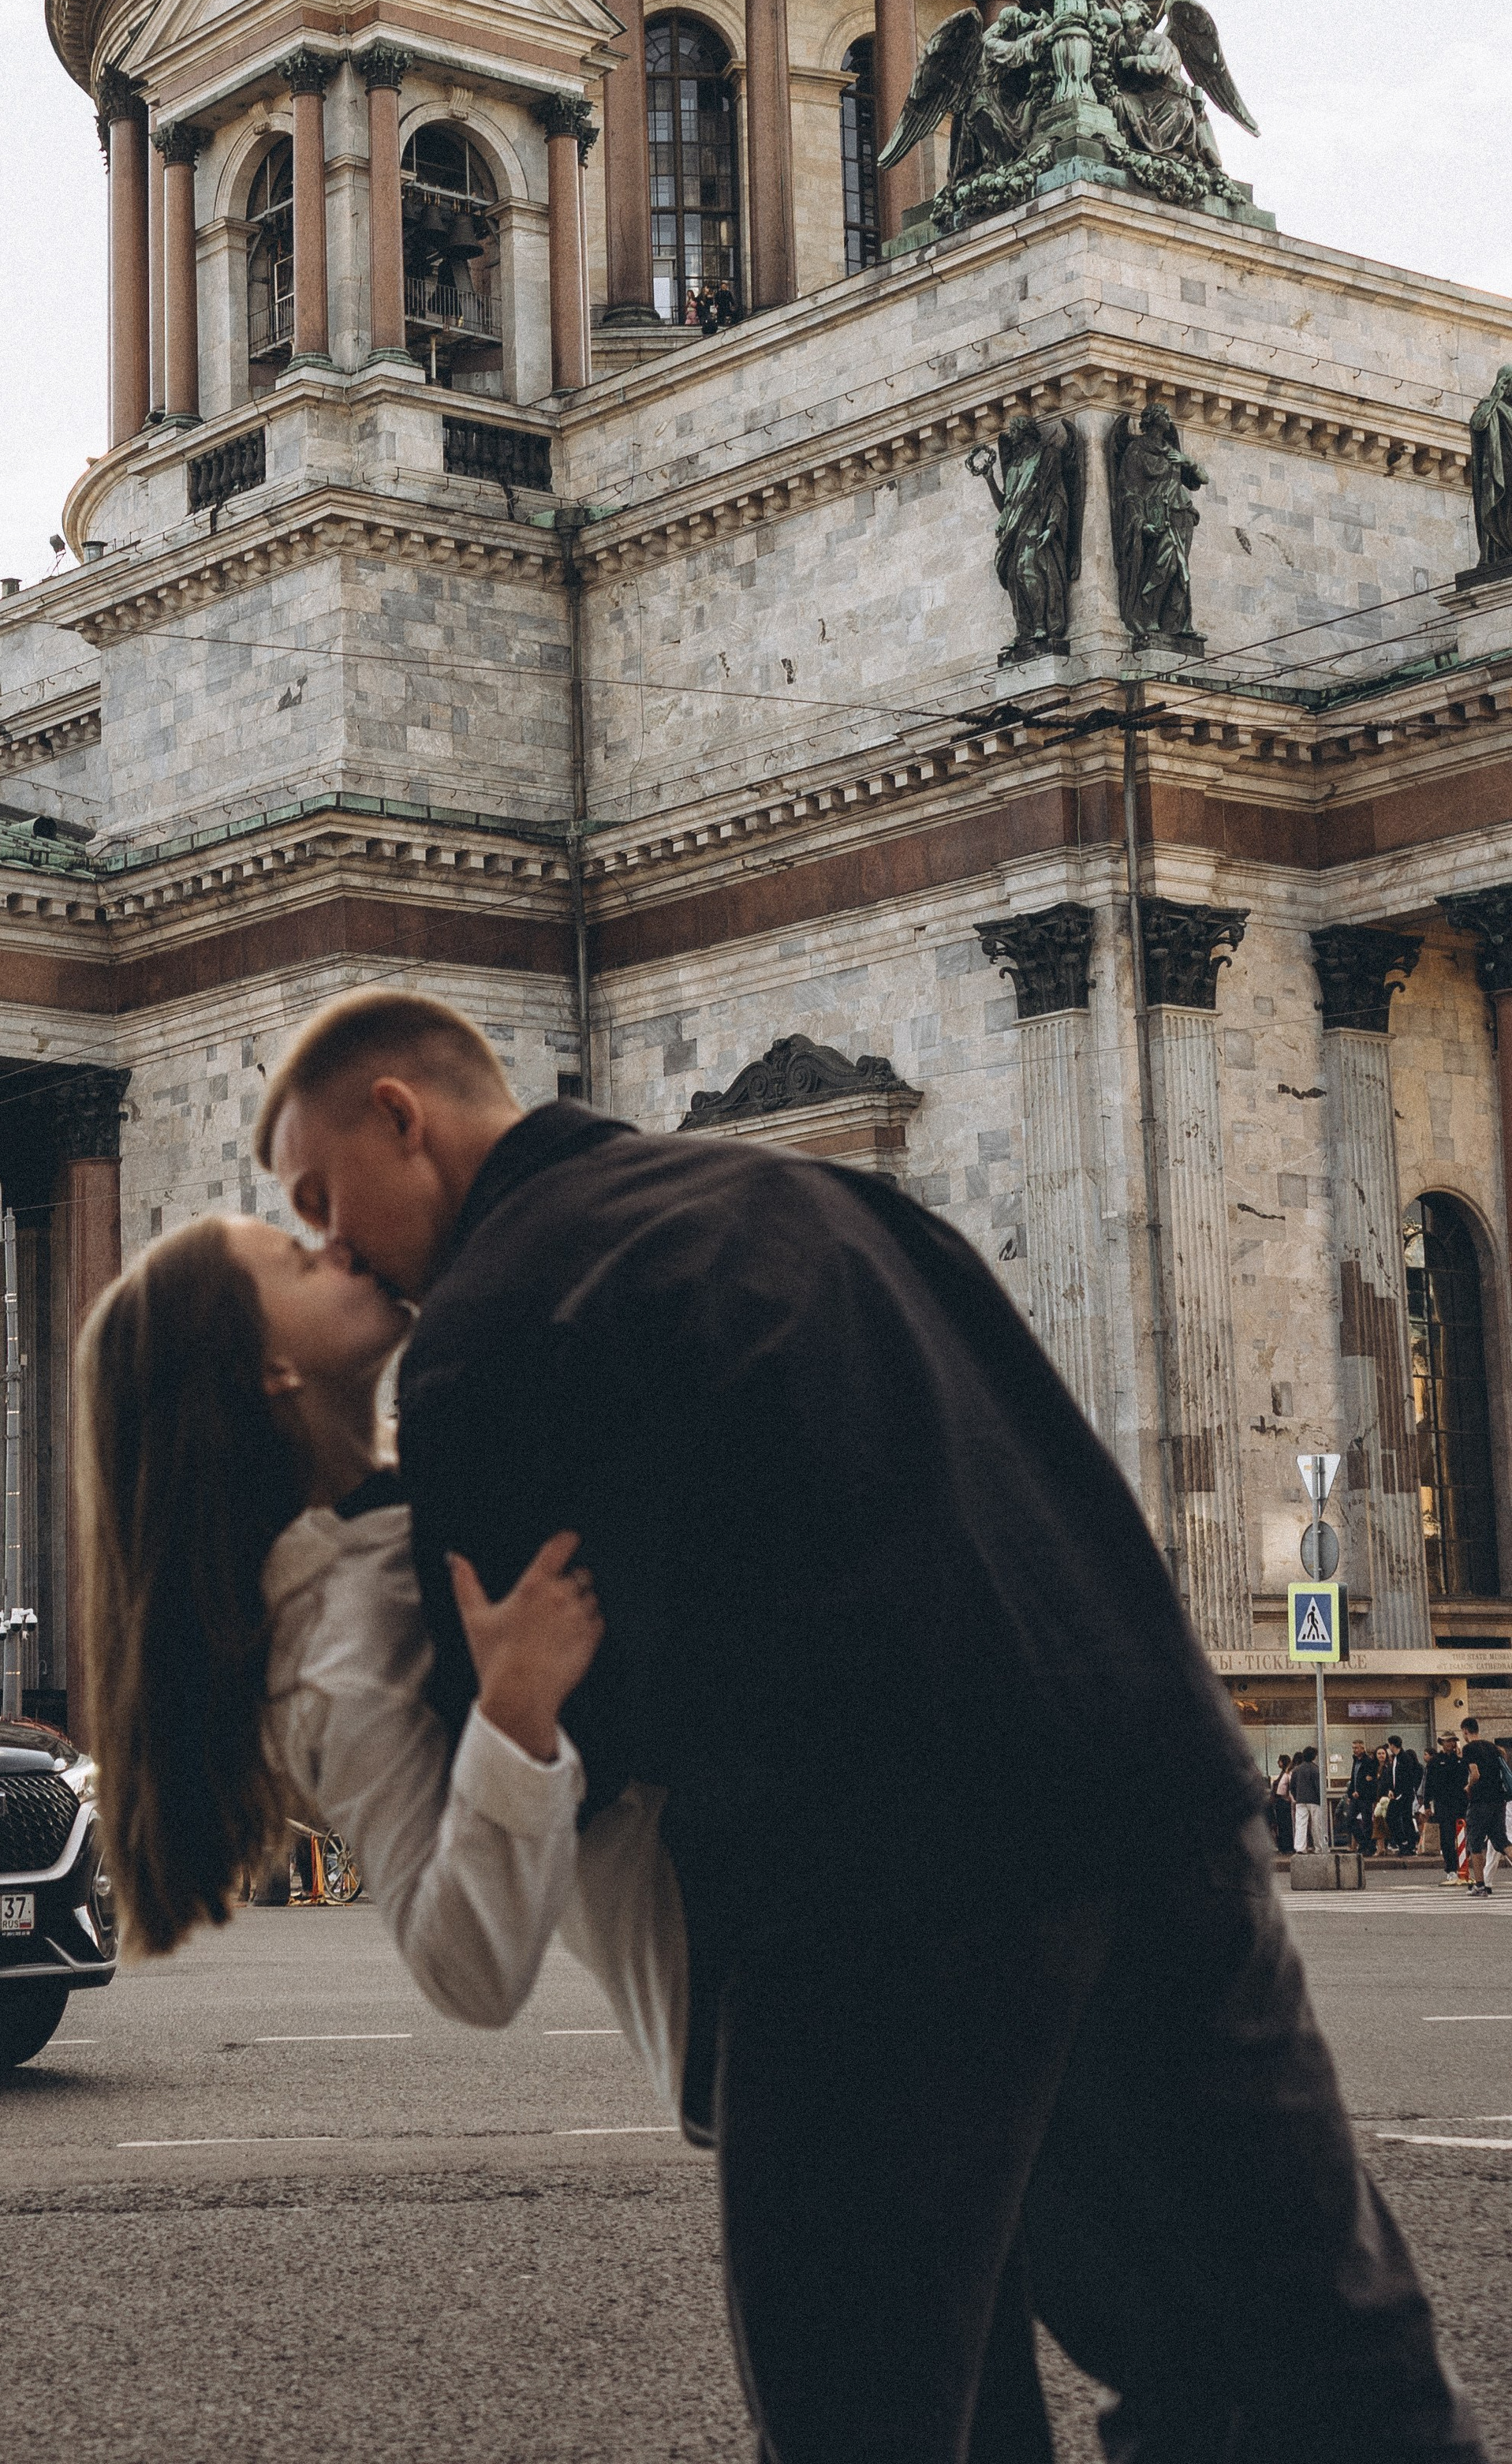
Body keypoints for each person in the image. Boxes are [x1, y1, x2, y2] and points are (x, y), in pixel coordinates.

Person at [256, 990, 1482, 2464]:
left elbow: (571, 1752)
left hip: (874, 1908)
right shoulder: (826, 1195)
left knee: (886, 2409)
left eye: (325, 1198)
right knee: (1304, 2354)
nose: (336, 1245)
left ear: (405, 1114)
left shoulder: (488, 1330)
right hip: (1161, 1800)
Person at [72, 1214, 687, 2109]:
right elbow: (470, 1968)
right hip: (742, 2001)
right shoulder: (335, 1653)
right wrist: (516, 1705)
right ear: (271, 1372)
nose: (342, 1246)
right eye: (299, 1259)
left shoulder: (431, 1455)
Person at [1459, 1717, 1507, 1900]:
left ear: (1465, 1731)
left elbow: (1475, 1773)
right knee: (1501, 1840)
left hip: (1481, 1802)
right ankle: (1481, 1885)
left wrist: (1468, 1787)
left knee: (1475, 1842)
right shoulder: (1493, 1748)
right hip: (1498, 1800)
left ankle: (1480, 1886)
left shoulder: (1469, 1749)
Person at [1426, 1730, 1468, 1882]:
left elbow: (1465, 1777)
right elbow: (1428, 1784)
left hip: (1460, 1802)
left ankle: (1463, 1865)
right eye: (1448, 1741)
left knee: (1463, 1836)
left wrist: (1462, 1759)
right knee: (1447, 1837)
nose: (1450, 1744)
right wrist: (1426, 1804)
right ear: (1442, 1743)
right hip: (1443, 1803)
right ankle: (1451, 1868)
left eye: (1453, 1741)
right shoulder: (1436, 1761)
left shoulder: (1460, 1760)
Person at [1386, 1737, 1423, 1857]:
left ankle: (1409, 1844)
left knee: (1404, 1819)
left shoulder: (1405, 1758)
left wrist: (1399, 1792)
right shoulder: (1396, 1759)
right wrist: (1391, 1789)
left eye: (1389, 1745)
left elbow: (1407, 1778)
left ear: (1392, 1745)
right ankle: (1404, 1843)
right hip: (1397, 1794)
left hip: (1404, 1795)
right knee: (1394, 1818)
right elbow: (1394, 1777)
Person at [1289, 1743, 1326, 1854]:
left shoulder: (1296, 1770)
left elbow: (1292, 1787)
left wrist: (1297, 1797)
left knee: (1300, 1824)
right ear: (1314, 1757)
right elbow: (1318, 1787)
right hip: (1314, 1801)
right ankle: (1319, 1847)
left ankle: (1300, 1847)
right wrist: (1321, 1799)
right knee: (1316, 1825)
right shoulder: (1316, 1770)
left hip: (1300, 1800)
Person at [1267, 1752, 1297, 1855]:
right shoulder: (1285, 1773)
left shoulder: (1286, 1773)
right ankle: (1285, 1846)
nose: (1277, 1763)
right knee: (1283, 1825)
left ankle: (1286, 1847)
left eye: (1279, 1761)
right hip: (1281, 1802)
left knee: (1284, 1825)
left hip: (1283, 1802)